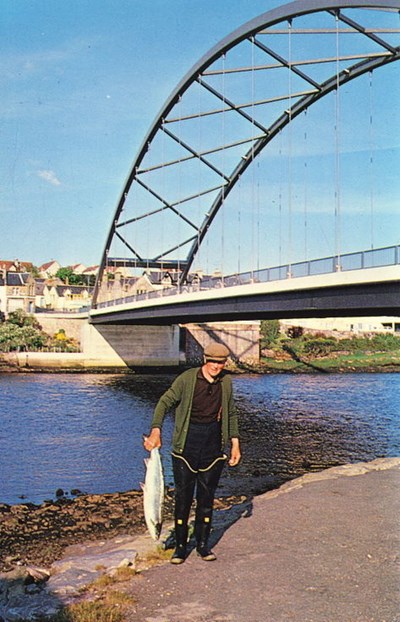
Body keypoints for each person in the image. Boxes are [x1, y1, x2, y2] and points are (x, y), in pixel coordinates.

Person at [143, 342, 241, 564]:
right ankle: (180, 547)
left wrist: (235, 443)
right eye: (213, 362)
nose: (216, 366)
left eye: (221, 362)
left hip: (213, 447)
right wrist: (156, 429)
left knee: (206, 500)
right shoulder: (187, 379)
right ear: (205, 360)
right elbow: (164, 402)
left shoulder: (226, 382)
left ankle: (203, 545)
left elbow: (232, 413)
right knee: (183, 499)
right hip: (186, 446)